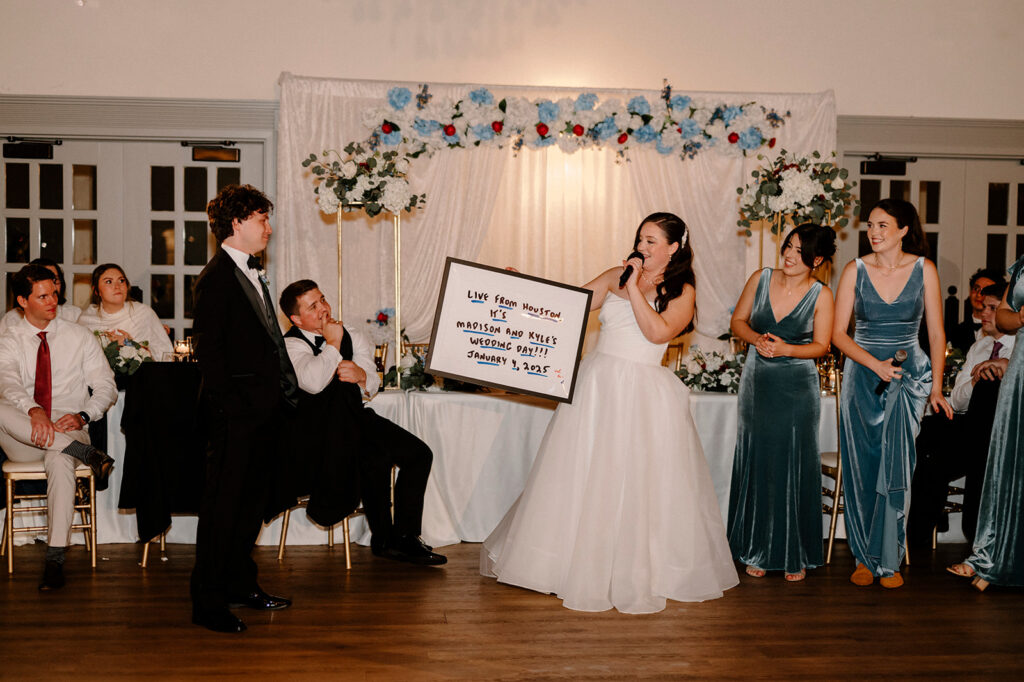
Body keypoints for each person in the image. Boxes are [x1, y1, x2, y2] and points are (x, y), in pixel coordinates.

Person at [481, 212, 739, 613]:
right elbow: (565, 305)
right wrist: (523, 287)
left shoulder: (682, 290)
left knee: (635, 479)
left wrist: (633, 287)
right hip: (598, 385)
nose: (642, 247)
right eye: (640, 238)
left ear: (674, 248)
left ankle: (631, 569)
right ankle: (564, 564)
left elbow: (657, 332)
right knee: (582, 471)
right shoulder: (613, 275)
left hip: (644, 393)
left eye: (652, 241)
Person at [189, 184, 299, 633]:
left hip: (262, 413)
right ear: (237, 223)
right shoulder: (215, 278)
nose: (269, 228)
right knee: (223, 510)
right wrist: (235, 412)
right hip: (234, 417)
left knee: (250, 507)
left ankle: (239, 583)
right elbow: (210, 353)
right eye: (262, 219)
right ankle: (207, 603)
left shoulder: (251, 270)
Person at [278, 280, 445, 565]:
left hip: (356, 419)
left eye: (323, 299)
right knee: (376, 457)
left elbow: (372, 382)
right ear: (296, 319)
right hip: (317, 433)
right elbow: (313, 382)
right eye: (313, 306)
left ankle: (403, 537)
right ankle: (387, 541)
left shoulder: (352, 334)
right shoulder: (289, 345)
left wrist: (362, 376)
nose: (323, 308)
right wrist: (333, 343)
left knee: (418, 454)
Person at [831, 198, 953, 589]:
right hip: (863, 375)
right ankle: (863, 559)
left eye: (883, 225)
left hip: (910, 376)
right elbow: (837, 334)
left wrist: (936, 387)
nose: (874, 232)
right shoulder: (855, 270)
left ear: (903, 230)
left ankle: (890, 559)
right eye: (870, 225)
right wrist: (875, 365)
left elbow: (936, 333)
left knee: (897, 465)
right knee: (863, 465)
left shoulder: (924, 269)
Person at [726, 224, 836, 582]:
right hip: (757, 381)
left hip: (797, 386)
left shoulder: (822, 295)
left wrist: (786, 348)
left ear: (816, 260)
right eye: (788, 245)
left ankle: (794, 551)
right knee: (758, 459)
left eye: (800, 251)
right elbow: (737, 321)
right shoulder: (760, 278)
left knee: (793, 462)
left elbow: (822, 346)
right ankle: (755, 547)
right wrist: (757, 339)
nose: (789, 254)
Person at [0, 264, 116, 590]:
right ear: (23, 301)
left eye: (54, 293)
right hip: (23, 434)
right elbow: (8, 383)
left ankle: (54, 560)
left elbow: (105, 386)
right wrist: (34, 410)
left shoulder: (79, 336)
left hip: (68, 426)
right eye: (43, 296)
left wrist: (83, 415)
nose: (53, 301)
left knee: (60, 458)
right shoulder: (9, 339)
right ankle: (88, 454)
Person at [908, 282, 1012, 548]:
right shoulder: (980, 347)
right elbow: (956, 400)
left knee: (938, 449)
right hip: (970, 426)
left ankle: (960, 530)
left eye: (992, 308)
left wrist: (1001, 371)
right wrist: (975, 380)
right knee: (929, 438)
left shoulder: (1018, 349)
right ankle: (915, 537)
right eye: (983, 306)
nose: (983, 312)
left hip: (1003, 433)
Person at [948, 255, 1024, 590]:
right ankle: (989, 551)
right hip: (1015, 373)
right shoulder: (1021, 268)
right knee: (1003, 464)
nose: (984, 311)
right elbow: (1007, 315)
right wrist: (1018, 317)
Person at [77, 263, 174, 368]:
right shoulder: (87, 319)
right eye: (109, 282)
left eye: (121, 280)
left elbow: (166, 356)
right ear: (96, 291)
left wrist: (130, 345)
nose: (117, 286)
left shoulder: (144, 313)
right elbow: (76, 357)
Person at [0, 258, 81, 334]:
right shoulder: (11, 319)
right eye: (42, 280)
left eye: (55, 280)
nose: (50, 285)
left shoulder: (74, 315)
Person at [948, 268, 1004, 354]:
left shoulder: (1004, 332)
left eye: (985, 290)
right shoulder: (955, 332)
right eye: (976, 289)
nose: (978, 294)